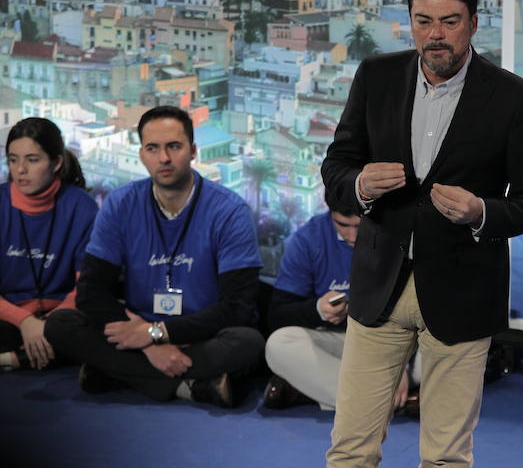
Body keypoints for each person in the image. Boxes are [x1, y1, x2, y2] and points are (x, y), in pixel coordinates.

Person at [321, 0, 523, 467]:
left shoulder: (515, 98)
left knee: (446, 457)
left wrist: (481, 213)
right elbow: (336, 170)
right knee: (349, 449)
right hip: (378, 286)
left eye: (449, 22)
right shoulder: (376, 77)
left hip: (461, 290)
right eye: (423, 21)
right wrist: (361, 184)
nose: (435, 36)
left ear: (474, 22)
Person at [44, 106, 264, 407]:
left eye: (174, 146)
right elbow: (91, 291)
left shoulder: (229, 211)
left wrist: (156, 334)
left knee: (247, 342)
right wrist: (148, 343)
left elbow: (237, 306)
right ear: (141, 154)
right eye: (153, 148)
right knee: (60, 325)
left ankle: (117, 372)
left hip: (200, 332)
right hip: (136, 326)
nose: (164, 158)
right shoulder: (121, 204)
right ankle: (189, 386)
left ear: (193, 151)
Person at [264, 191, 416, 414]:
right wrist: (317, 309)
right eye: (343, 225)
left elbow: (417, 313)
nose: (353, 236)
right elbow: (277, 315)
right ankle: (392, 401)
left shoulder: (398, 235)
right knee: (278, 345)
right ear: (329, 213)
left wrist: (399, 360)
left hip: (395, 340)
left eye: (360, 225)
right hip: (338, 341)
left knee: (444, 353)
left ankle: (319, 394)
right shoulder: (307, 239)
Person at [0, 118, 98, 371]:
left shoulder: (81, 206)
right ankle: (35, 356)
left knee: (101, 322)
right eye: (13, 159)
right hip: (8, 314)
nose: (20, 170)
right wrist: (25, 321)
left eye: (32, 160)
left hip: (61, 317)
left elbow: (85, 285)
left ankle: (11, 359)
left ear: (56, 163)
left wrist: (48, 326)